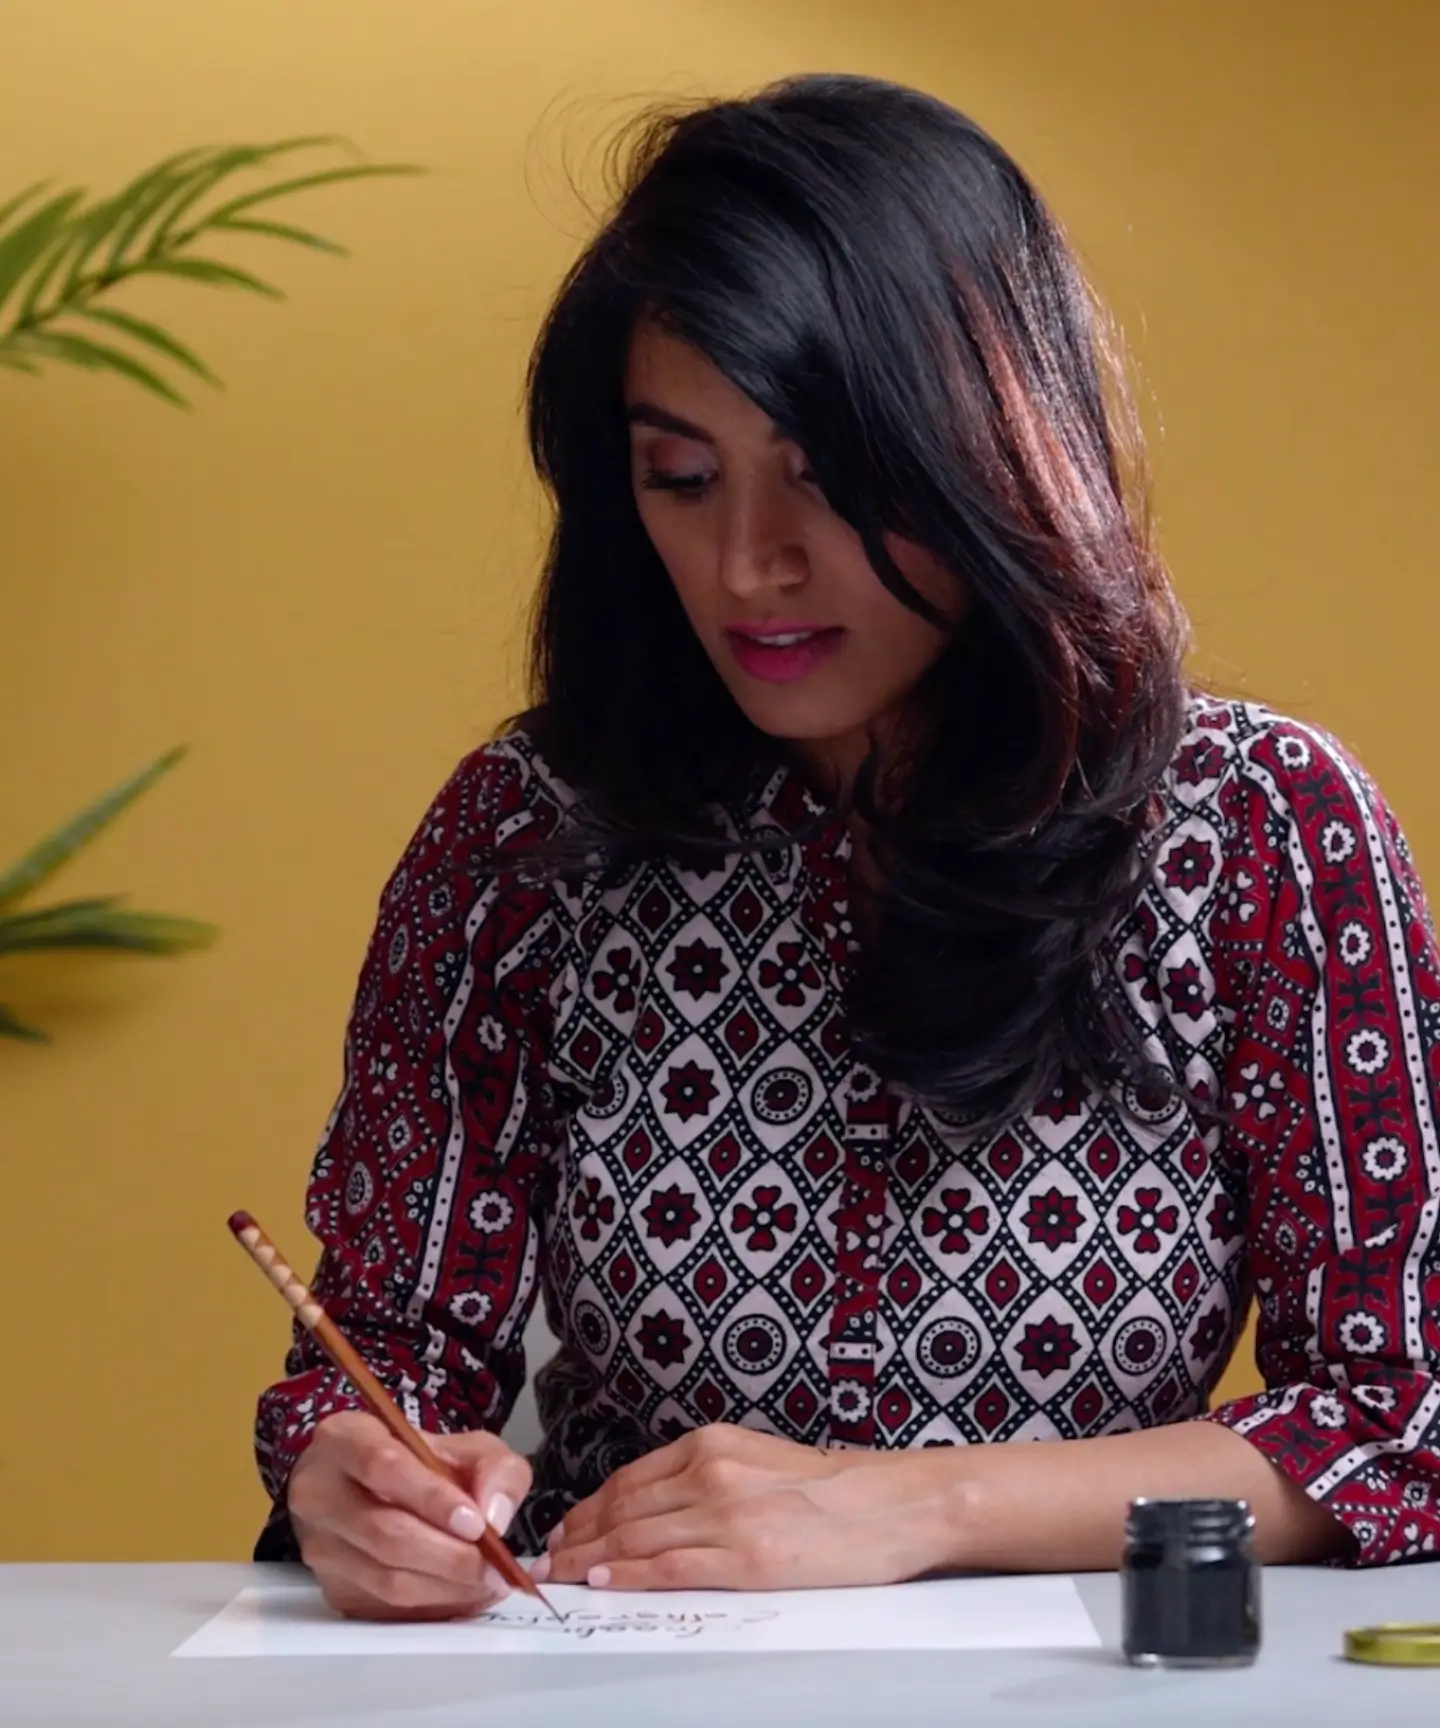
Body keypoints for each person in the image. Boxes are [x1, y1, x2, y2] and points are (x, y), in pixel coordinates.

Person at [252, 73, 1440, 1621]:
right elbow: (389, 1346)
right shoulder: (526, 832)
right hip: (616, 1678)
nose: (750, 566)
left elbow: (1402, 1413)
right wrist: (364, 1472)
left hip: (1081, 1690)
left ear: (996, 448)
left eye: (832, 478)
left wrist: (917, 1507)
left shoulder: (1264, 826)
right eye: (680, 478)